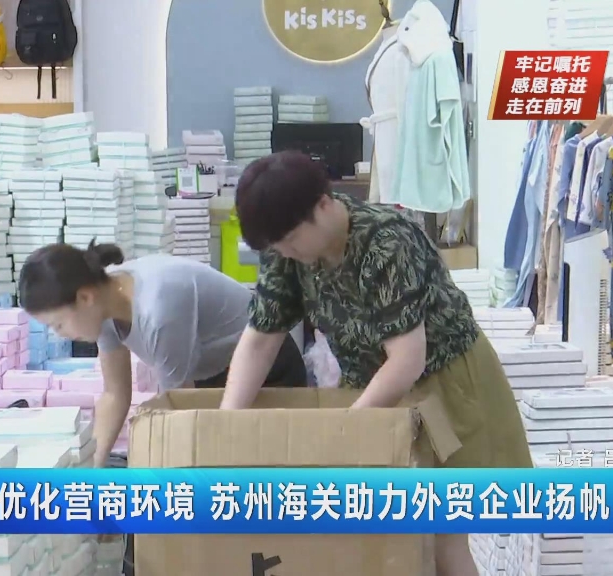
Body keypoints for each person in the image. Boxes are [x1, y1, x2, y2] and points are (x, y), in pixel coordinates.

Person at [219, 151, 531, 576]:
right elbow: (260, 340)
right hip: (373, 388)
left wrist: (345, 432)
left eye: (291, 239)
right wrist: (225, 427)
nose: (286, 252)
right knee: (385, 533)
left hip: (445, 386)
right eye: (277, 246)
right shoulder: (288, 250)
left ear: (323, 205)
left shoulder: (387, 240)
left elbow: (407, 359)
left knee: (441, 532)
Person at [18, 242, 307, 466]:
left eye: (58, 324)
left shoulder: (158, 311)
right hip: (211, 376)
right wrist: (91, 468)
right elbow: (115, 395)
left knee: (255, 476)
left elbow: (179, 410)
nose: (60, 334)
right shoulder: (103, 301)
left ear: (84, 297)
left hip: (266, 368)